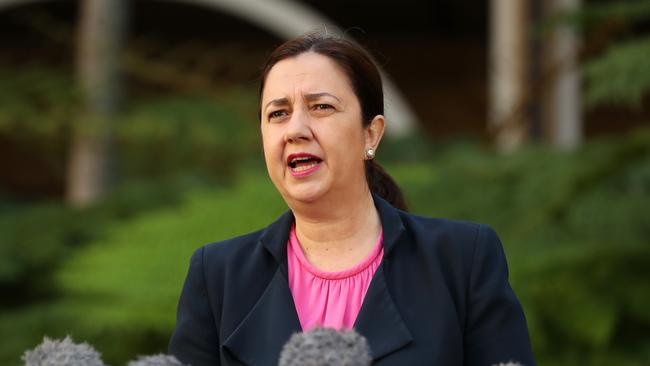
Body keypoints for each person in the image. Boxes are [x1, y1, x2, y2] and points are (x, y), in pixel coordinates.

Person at [168, 32, 536, 366]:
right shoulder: (218, 275)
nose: (295, 129)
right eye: (278, 113)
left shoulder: (461, 260)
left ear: (370, 134)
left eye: (321, 107)